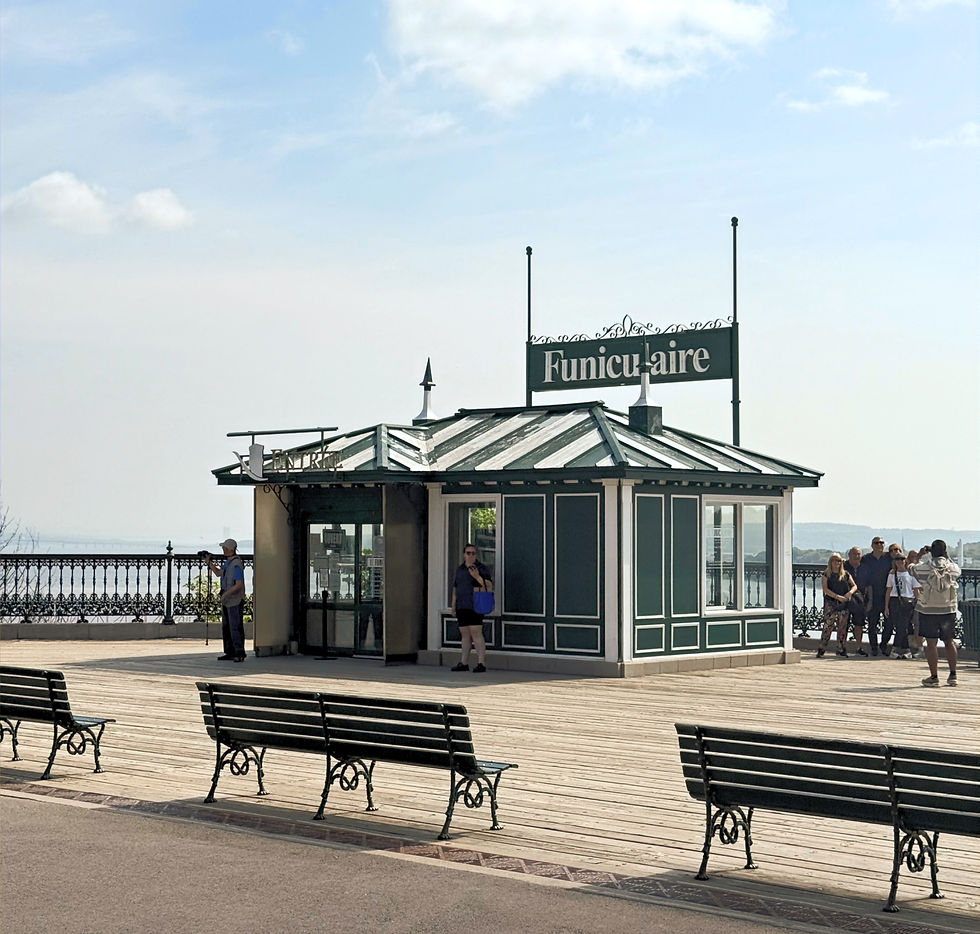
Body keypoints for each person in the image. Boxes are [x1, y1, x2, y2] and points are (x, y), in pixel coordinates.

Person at [909, 540, 960, 687]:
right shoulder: (952, 568)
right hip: (948, 609)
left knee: (931, 643)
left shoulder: (924, 568)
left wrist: (918, 556)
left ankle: (934, 676)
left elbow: (910, 568)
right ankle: (953, 674)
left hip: (928, 609)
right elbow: (958, 570)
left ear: (931, 551)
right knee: (949, 641)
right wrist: (946, 556)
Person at [450, 543, 493, 673]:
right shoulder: (460, 569)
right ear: (464, 554)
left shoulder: (482, 568)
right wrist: (453, 606)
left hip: (476, 605)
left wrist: (477, 576)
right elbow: (455, 589)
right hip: (462, 605)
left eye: (473, 553)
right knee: (465, 634)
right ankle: (464, 662)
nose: (470, 555)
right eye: (468, 553)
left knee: (476, 633)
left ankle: (481, 662)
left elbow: (489, 586)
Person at [206, 538, 246, 662]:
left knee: (235, 626)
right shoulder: (228, 563)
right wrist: (209, 563)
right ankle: (229, 652)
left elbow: (238, 584)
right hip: (227, 599)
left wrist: (226, 594)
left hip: (234, 599)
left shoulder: (236, 564)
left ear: (231, 549)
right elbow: (219, 573)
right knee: (227, 626)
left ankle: (239, 652)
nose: (223, 550)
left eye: (225, 548)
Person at [817, 553, 857, 658]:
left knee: (842, 627)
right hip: (831, 603)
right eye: (834, 560)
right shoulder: (826, 574)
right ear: (830, 562)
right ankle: (822, 648)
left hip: (843, 604)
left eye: (839, 561)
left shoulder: (846, 574)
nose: (837, 563)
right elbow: (825, 589)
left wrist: (849, 593)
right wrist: (837, 596)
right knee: (827, 626)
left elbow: (854, 586)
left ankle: (841, 648)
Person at [884, 551, 921, 660]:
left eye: (902, 559)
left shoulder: (911, 574)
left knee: (903, 625)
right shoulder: (892, 574)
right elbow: (888, 590)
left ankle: (896, 648)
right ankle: (905, 649)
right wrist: (886, 606)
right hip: (895, 601)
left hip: (907, 601)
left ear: (905, 561)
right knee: (899, 626)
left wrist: (919, 603)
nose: (900, 562)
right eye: (897, 560)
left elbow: (915, 590)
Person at [861, 537, 894, 656]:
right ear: (872, 545)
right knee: (872, 623)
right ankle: (873, 647)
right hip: (872, 595)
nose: (879, 545)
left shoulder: (889, 558)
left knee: (889, 623)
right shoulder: (866, 559)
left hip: (887, 595)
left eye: (881, 543)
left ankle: (884, 645)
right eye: (876, 543)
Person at [844, 547, 869, 655]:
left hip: (860, 599)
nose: (856, 556)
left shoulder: (865, 568)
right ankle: (841, 646)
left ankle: (858, 647)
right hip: (845, 598)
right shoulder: (843, 567)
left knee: (859, 624)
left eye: (858, 554)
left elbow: (869, 586)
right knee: (843, 623)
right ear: (849, 555)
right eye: (854, 554)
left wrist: (869, 601)